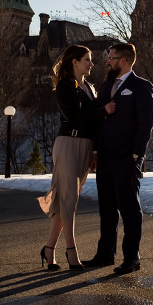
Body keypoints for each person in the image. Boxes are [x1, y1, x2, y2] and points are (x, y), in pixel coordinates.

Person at [38, 44, 114, 271]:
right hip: (68, 144)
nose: (92, 64)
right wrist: (103, 111)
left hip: (85, 146)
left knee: (65, 199)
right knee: (69, 199)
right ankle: (72, 252)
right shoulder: (64, 86)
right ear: (75, 62)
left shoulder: (90, 87)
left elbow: (95, 124)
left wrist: (94, 152)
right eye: (87, 60)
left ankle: (49, 250)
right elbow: (72, 116)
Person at [83, 43, 153, 274]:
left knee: (129, 209)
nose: (107, 62)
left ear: (123, 61)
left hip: (127, 158)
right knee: (106, 208)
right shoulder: (105, 87)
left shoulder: (141, 87)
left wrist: (136, 155)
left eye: (111, 58)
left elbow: (146, 125)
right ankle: (105, 255)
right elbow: (97, 122)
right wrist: (95, 152)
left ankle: (132, 258)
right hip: (104, 158)